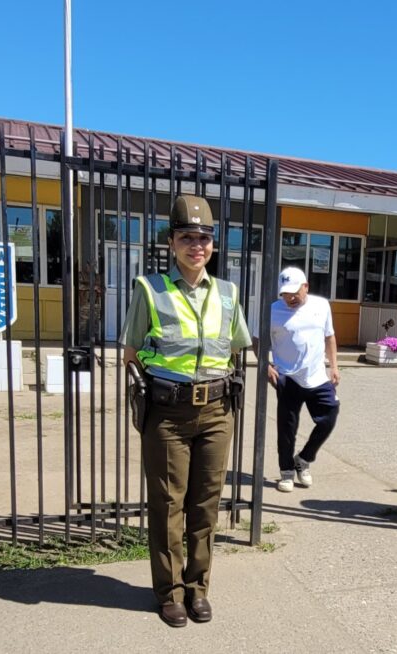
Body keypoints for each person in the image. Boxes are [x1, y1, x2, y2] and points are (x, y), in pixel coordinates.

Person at [120, 194, 251, 628]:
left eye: (204, 237)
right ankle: (169, 593)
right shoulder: (150, 290)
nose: (197, 245)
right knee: (167, 504)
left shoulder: (229, 294)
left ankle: (198, 589)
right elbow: (131, 352)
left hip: (216, 412)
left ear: (213, 244)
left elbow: (237, 348)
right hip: (169, 415)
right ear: (172, 243)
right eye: (187, 237)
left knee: (205, 505)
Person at [254, 267, 340, 492]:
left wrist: (334, 367)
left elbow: (329, 337)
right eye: (285, 293)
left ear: (306, 287)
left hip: (317, 376)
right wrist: (266, 364)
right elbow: (256, 339)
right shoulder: (272, 311)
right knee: (287, 427)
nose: (290, 298)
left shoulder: (321, 305)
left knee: (329, 415)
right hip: (287, 376)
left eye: (294, 292)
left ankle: (304, 459)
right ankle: (286, 472)